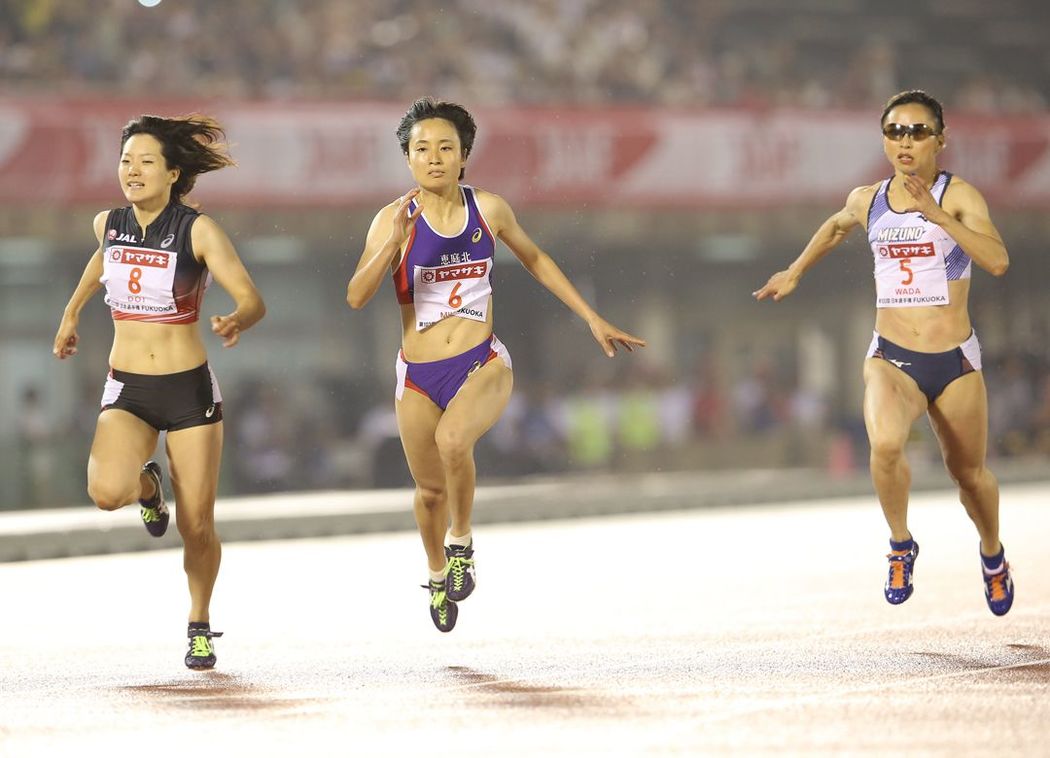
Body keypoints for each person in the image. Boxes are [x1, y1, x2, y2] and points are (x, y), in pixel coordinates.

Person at [347, 97, 645, 632]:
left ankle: (460, 541)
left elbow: (534, 258)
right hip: (416, 375)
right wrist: (390, 243)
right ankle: (437, 573)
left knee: (454, 443)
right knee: (429, 491)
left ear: (464, 157)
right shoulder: (392, 220)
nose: (434, 157)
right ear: (408, 158)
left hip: (480, 361)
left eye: (446, 148)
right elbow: (356, 295)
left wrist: (590, 318)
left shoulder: (488, 208)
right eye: (422, 149)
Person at [754, 90, 1013, 615]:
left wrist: (937, 216)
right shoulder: (867, 199)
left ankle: (992, 554)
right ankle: (900, 543)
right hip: (891, 355)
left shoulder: (959, 195)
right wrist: (795, 271)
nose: (906, 141)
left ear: (940, 139)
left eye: (918, 131)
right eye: (895, 131)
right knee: (886, 445)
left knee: (970, 478)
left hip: (955, 361)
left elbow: (998, 260)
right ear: (884, 141)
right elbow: (834, 227)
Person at [52, 114, 266, 667]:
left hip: (188, 390)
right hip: (127, 387)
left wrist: (239, 318)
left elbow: (251, 297)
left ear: (173, 173)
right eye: (126, 160)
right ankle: (148, 486)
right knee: (105, 493)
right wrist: (71, 313)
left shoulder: (198, 230)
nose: (133, 170)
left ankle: (199, 621)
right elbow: (102, 264)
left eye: (146, 161)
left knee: (197, 523)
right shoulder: (109, 223)